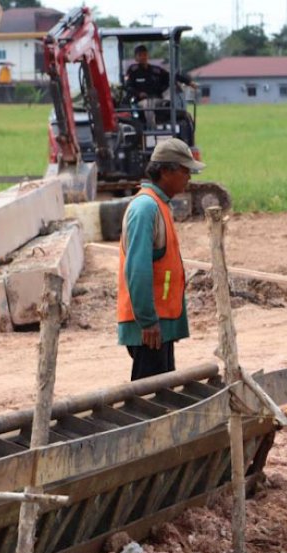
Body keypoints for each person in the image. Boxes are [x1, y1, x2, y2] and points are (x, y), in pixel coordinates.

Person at [117, 138, 204, 380]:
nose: (189, 177)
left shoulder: (159, 206)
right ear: (166, 171)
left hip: (160, 321)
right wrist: (147, 321)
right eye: (186, 171)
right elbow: (137, 269)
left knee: (162, 393)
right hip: (151, 326)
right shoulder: (146, 208)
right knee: (149, 399)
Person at [124, 44, 197, 127]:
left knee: (171, 106)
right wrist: (138, 93)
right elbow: (128, 87)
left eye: (144, 54)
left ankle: (180, 127)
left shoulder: (156, 70)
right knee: (149, 104)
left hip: (158, 100)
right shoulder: (133, 71)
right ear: (136, 58)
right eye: (140, 55)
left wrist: (188, 82)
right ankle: (151, 129)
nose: (143, 57)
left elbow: (172, 76)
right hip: (140, 102)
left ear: (148, 55)